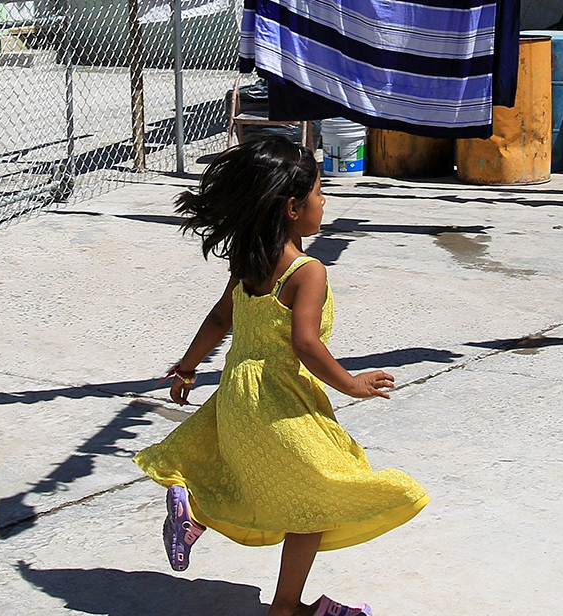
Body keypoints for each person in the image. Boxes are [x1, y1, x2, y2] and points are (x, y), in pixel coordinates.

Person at [134, 136, 427, 616]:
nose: (325, 200)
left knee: (241, 470)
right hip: (278, 400)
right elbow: (306, 344)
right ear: (293, 208)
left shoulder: (249, 259)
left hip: (236, 394)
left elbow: (219, 319)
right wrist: (352, 384)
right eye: (318, 192)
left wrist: (187, 368)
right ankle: (286, 607)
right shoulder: (308, 272)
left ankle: (193, 516)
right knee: (315, 497)